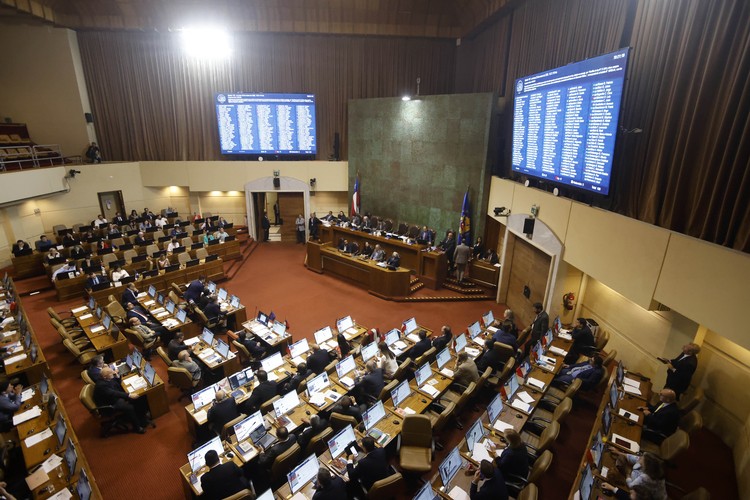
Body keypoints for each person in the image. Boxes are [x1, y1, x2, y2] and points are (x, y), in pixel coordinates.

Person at [93, 367, 149, 433]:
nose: (113, 373)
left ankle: (142, 417)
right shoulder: (101, 385)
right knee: (129, 407)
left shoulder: (106, 378)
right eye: (111, 373)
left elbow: (115, 385)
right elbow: (113, 393)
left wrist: (117, 377)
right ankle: (137, 427)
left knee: (139, 398)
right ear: (105, 377)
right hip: (109, 403)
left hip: (112, 397)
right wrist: (128, 395)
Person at [602, 451, 667, 500]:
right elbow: (635, 458)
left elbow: (631, 488)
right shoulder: (651, 466)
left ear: (647, 466)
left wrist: (628, 473)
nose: (639, 457)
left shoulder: (647, 478)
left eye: (642, 458)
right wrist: (618, 452)